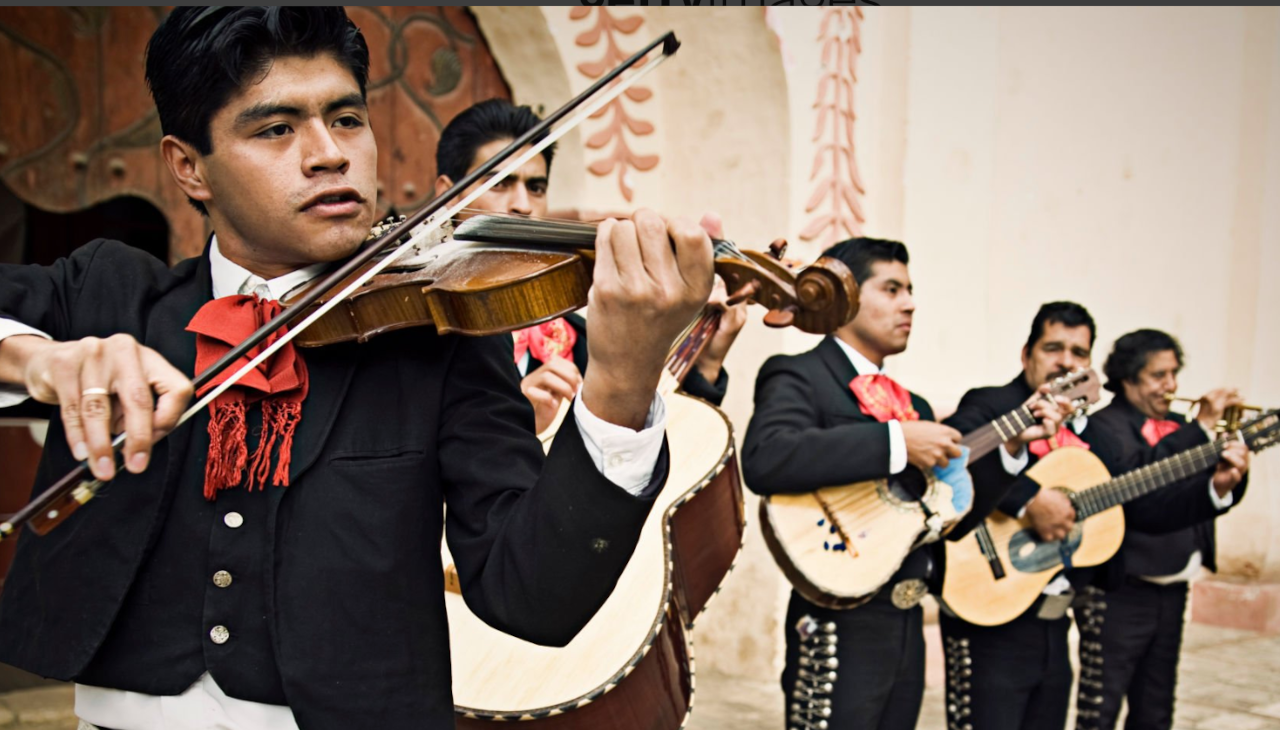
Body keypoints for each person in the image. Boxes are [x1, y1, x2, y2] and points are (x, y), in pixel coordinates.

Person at [0, 8, 715, 729]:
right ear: (189, 167)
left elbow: (533, 598)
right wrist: (39, 360)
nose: (328, 154)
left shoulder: (443, 334)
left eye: (345, 119)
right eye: (275, 129)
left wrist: (621, 380)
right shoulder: (109, 293)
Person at [741, 237, 1054, 730]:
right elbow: (765, 458)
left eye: (909, 289)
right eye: (891, 288)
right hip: (837, 617)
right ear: (844, 294)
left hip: (907, 621)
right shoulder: (799, 374)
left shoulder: (918, 408)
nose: (909, 303)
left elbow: (946, 519)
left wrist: (1012, 452)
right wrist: (894, 442)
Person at [938, 304, 1250, 730]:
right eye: (1053, 348)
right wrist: (1029, 500)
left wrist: (1217, 489)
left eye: (1079, 353)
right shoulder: (990, 402)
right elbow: (954, 462)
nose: (1066, 361)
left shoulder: (1095, 432)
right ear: (1027, 354)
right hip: (990, 612)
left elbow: (1142, 507)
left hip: (1055, 621)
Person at [433, 99, 744, 432]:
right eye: (500, 183)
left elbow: (637, 446)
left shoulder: (580, 336)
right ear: (449, 195)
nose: (523, 205)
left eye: (536, 187)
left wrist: (706, 363)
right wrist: (511, 418)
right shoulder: (421, 325)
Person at [1074, 329, 1250, 730]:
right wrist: (1199, 430)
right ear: (1128, 378)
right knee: (1101, 706)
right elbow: (1137, 485)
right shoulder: (1105, 426)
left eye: (1173, 374)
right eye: (1158, 376)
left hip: (1172, 590)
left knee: (1156, 708)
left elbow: (1198, 494)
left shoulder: (1180, 425)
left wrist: (1228, 481)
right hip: (1120, 592)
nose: (1170, 386)